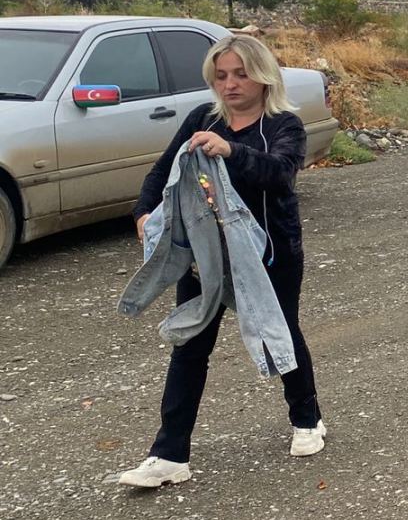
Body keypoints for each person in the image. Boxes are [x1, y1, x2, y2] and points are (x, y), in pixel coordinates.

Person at [117, 35, 325, 488]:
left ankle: (307, 419)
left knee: (280, 330)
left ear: (263, 75)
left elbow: (281, 173)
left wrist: (231, 150)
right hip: (205, 254)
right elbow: (163, 168)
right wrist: (144, 212)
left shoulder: (283, 125)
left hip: (270, 253)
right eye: (221, 74)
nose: (229, 84)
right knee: (190, 344)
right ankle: (170, 454)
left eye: (240, 73)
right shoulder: (202, 118)